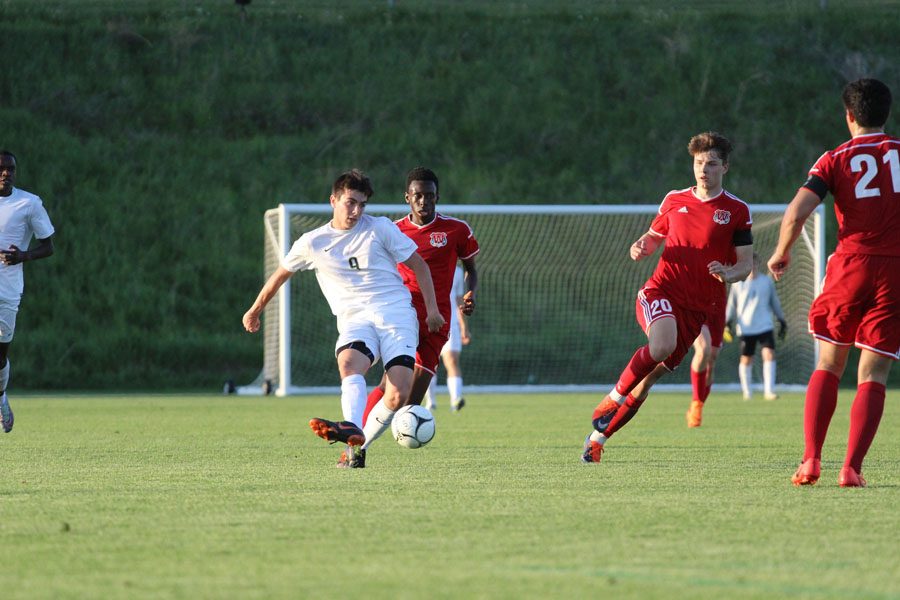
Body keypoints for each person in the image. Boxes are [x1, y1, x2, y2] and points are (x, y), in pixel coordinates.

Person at [242, 169, 445, 469]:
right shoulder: (313, 242)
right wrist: (255, 309)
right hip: (355, 319)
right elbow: (280, 275)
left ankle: (357, 447)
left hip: (395, 313)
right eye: (350, 202)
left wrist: (432, 311)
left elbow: (420, 266)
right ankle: (352, 428)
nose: (356, 211)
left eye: (362, 204)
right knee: (349, 363)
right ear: (333, 200)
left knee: (399, 393)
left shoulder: (380, 229)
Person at [582, 132, 753, 464]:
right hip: (660, 292)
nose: (704, 170)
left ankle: (597, 439)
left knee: (647, 381)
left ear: (725, 167)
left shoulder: (736, 210)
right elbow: (652, 236)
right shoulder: (674, 200)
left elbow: (745, 264)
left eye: (712, 164)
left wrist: (729, 273)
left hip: (697, 308)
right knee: (659, 347)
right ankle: (612, 397)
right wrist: (641, 246)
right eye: (699, 163)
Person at [768, 78, 899, 488]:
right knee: (873, 373)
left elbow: (796, 212)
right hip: (894, 269)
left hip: (850, 265)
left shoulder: (834, 158)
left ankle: (810, 461)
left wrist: (782, 251)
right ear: (886, 114)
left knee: (828, 363)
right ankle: (852, 468)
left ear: (848, 115)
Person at [361, 168, 479, 433]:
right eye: (418, 196)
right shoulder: (394, 231)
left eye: (430, 195)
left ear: (437, 197)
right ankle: (357, 438)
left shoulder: (456, 230)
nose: (424, 201)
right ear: (407, 197)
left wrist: (471, 293)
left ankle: (390, 434)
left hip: (438, 323)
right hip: (404, 318)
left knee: (409, 406)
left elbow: (471, 268)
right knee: (388, 387)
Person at [0, 151, 55, 434]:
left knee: (0, 356)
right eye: (1, 169)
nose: (5, 173)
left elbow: (48, 246)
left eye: (10, 169)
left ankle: (0, 396)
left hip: (8, 291)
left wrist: (23, 256)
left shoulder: (29, 203)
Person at [726, 252, 786, 401]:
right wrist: (727, 323)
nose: (752, 266)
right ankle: (747, 392)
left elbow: (774, 302)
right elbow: (731, 305)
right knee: (747, 359)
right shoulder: (738, 283)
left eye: (754, 263)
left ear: (758, 264)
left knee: (769, 354)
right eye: (748, 264)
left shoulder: (766, 282)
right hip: (746, 327)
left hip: (765, 325)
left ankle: (769, 391)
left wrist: (782, 320)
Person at [424, 265, 471, 412]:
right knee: (429, 363)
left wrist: (464, 327)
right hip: (428, 322)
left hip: (451, 324)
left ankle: (455, 400)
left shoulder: (456, 271)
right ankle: (430, 401)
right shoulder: (426, 266)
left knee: (452, 360)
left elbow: (458, 300)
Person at [685, 320, 722, 428]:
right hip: (697, 307)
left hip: (717, 308)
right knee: (703, 350)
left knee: (711, 359)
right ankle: (696, 407)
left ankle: (696, 407)